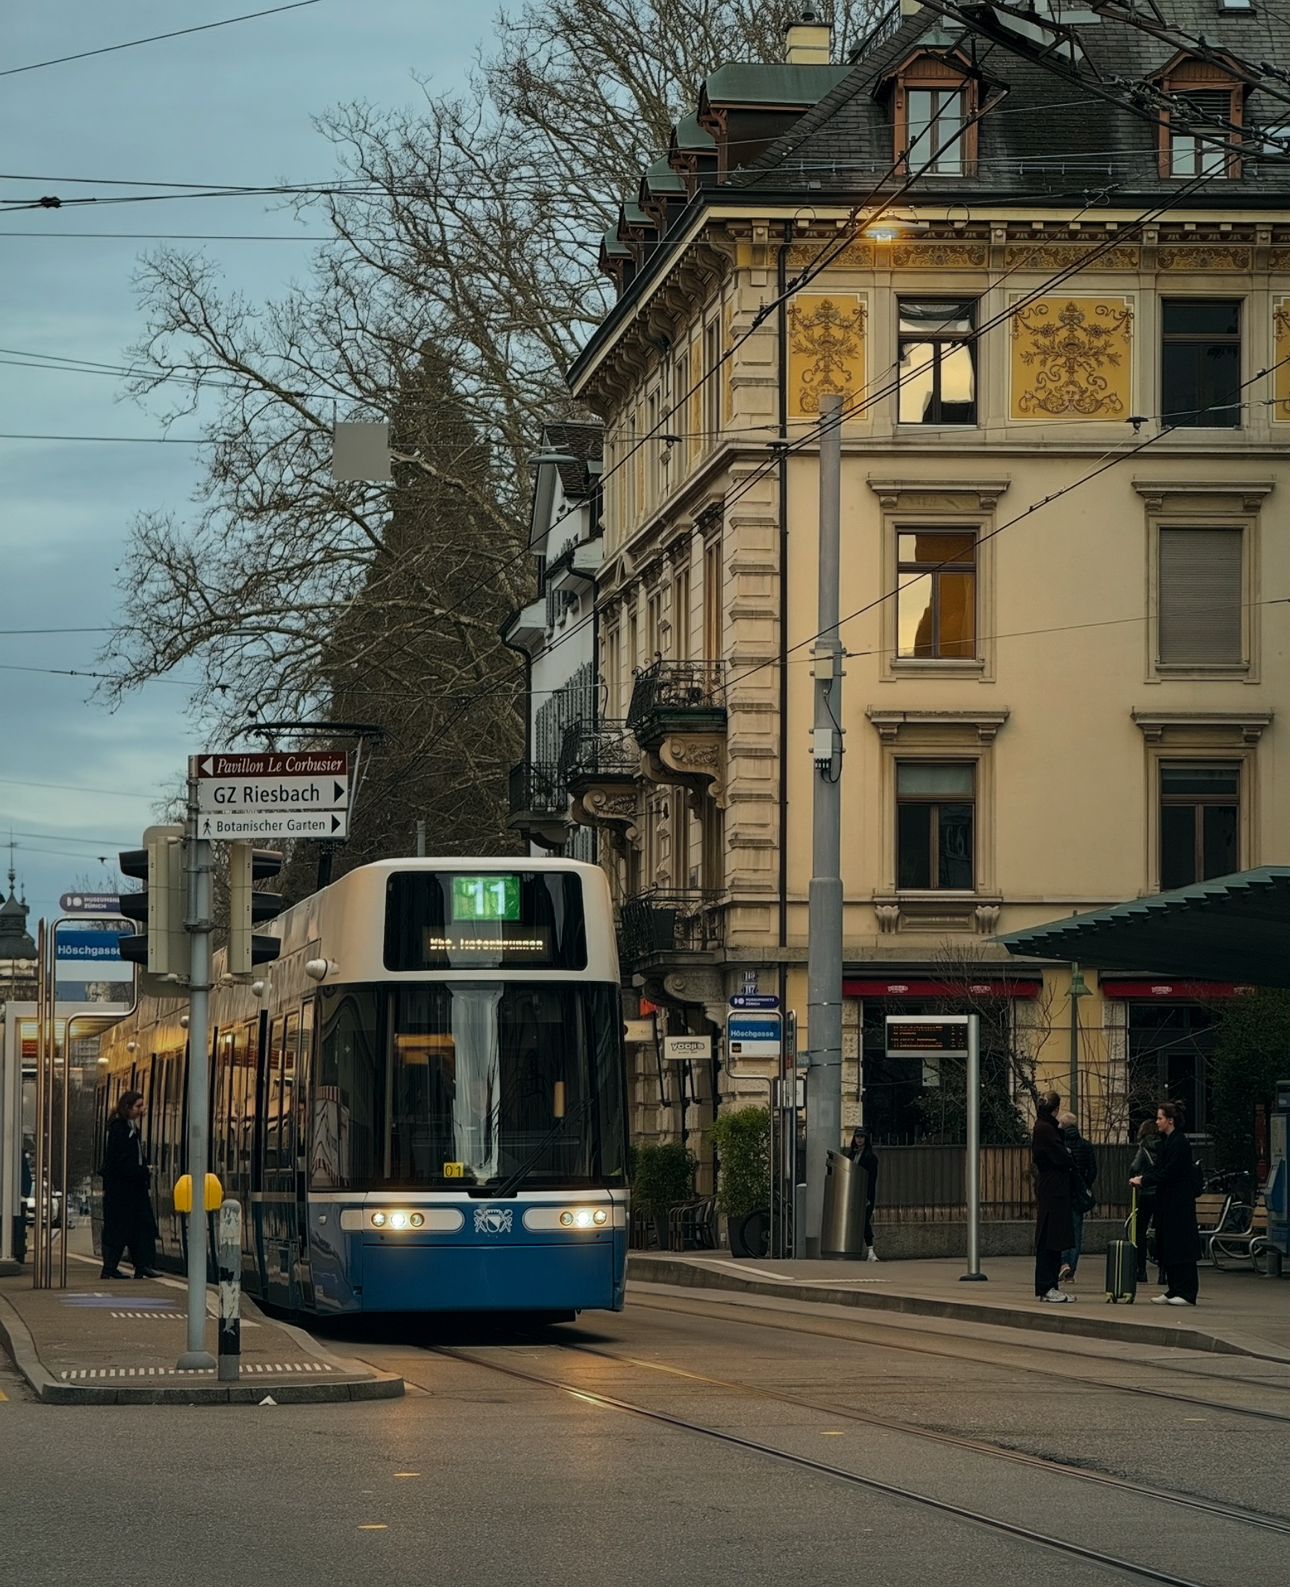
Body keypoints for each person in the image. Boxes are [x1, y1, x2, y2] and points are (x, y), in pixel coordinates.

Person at [1131, 1102, 1201, 1305]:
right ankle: (1174, 1288)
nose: (1157, 1122)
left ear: (1170, 1120)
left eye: (1160, 1118)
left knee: (1181, 1244)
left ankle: (1187, 1291)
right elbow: (1159, 1168)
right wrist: (1144, 1177)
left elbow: (1170, 1172)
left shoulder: (1179, 1143)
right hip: (1167, 1200)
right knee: (1168, 1243)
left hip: (1179, 1201)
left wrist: (1144, 1180)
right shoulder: (1166, 1142)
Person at [100, 1091, 160, 1280]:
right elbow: (120, 1161)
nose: (142, 1110)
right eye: (138, 1106)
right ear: (127, 1107)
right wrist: (143, 1170)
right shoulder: (120, 1129)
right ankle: (111, 1267)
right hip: (124, 1190)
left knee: (138, 1228)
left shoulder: (129, 1127)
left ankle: (140, 1265)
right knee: (124, 1228)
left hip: (131, 1189)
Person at [1032, 1090, 1077, 1302]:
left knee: (1050, 1238)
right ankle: (1047, 1286)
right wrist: (1067, 1154)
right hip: (1054, 1189)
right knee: (1051, 1238)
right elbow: (1063, 1157)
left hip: (1049, 1187)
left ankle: (1049, 1286)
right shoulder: (1046, 1129)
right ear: (1056, 1108)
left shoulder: (1042, 1126)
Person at [1058, 1111, 1097, 1282]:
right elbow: (1093, 1170)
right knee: (1076, 1233)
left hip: (1063, 1193)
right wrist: (1084, 1185)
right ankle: (1071, 1271)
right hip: (1078, 1195)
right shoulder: (1086, 1146)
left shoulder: (1060, 1144)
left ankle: (1063, 1263)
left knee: (1061, 1231)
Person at [1129, 1118, 1160, 1283]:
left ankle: (1141, 1270)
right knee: (1162, 1231)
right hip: (1162, 1193)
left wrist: (1137, 1177)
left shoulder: (1144, 1148)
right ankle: (1164, 1273)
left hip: (1147, 1192)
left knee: (1140, 1231)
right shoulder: (1165, 1145)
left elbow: (1134, 1167)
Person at [849, 1126, 880, 1261]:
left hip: (865, 1194)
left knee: (863, 1221)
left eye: (862, 1137)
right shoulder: (852, 1155)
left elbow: (872, 1179)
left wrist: (868, 1196)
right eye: (857, 1137)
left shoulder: (870, 1157)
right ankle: (861, 1250)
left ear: (866, 1139)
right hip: (853, 1193)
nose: (859, 1139)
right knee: (856, 1221)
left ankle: (871, 1250)